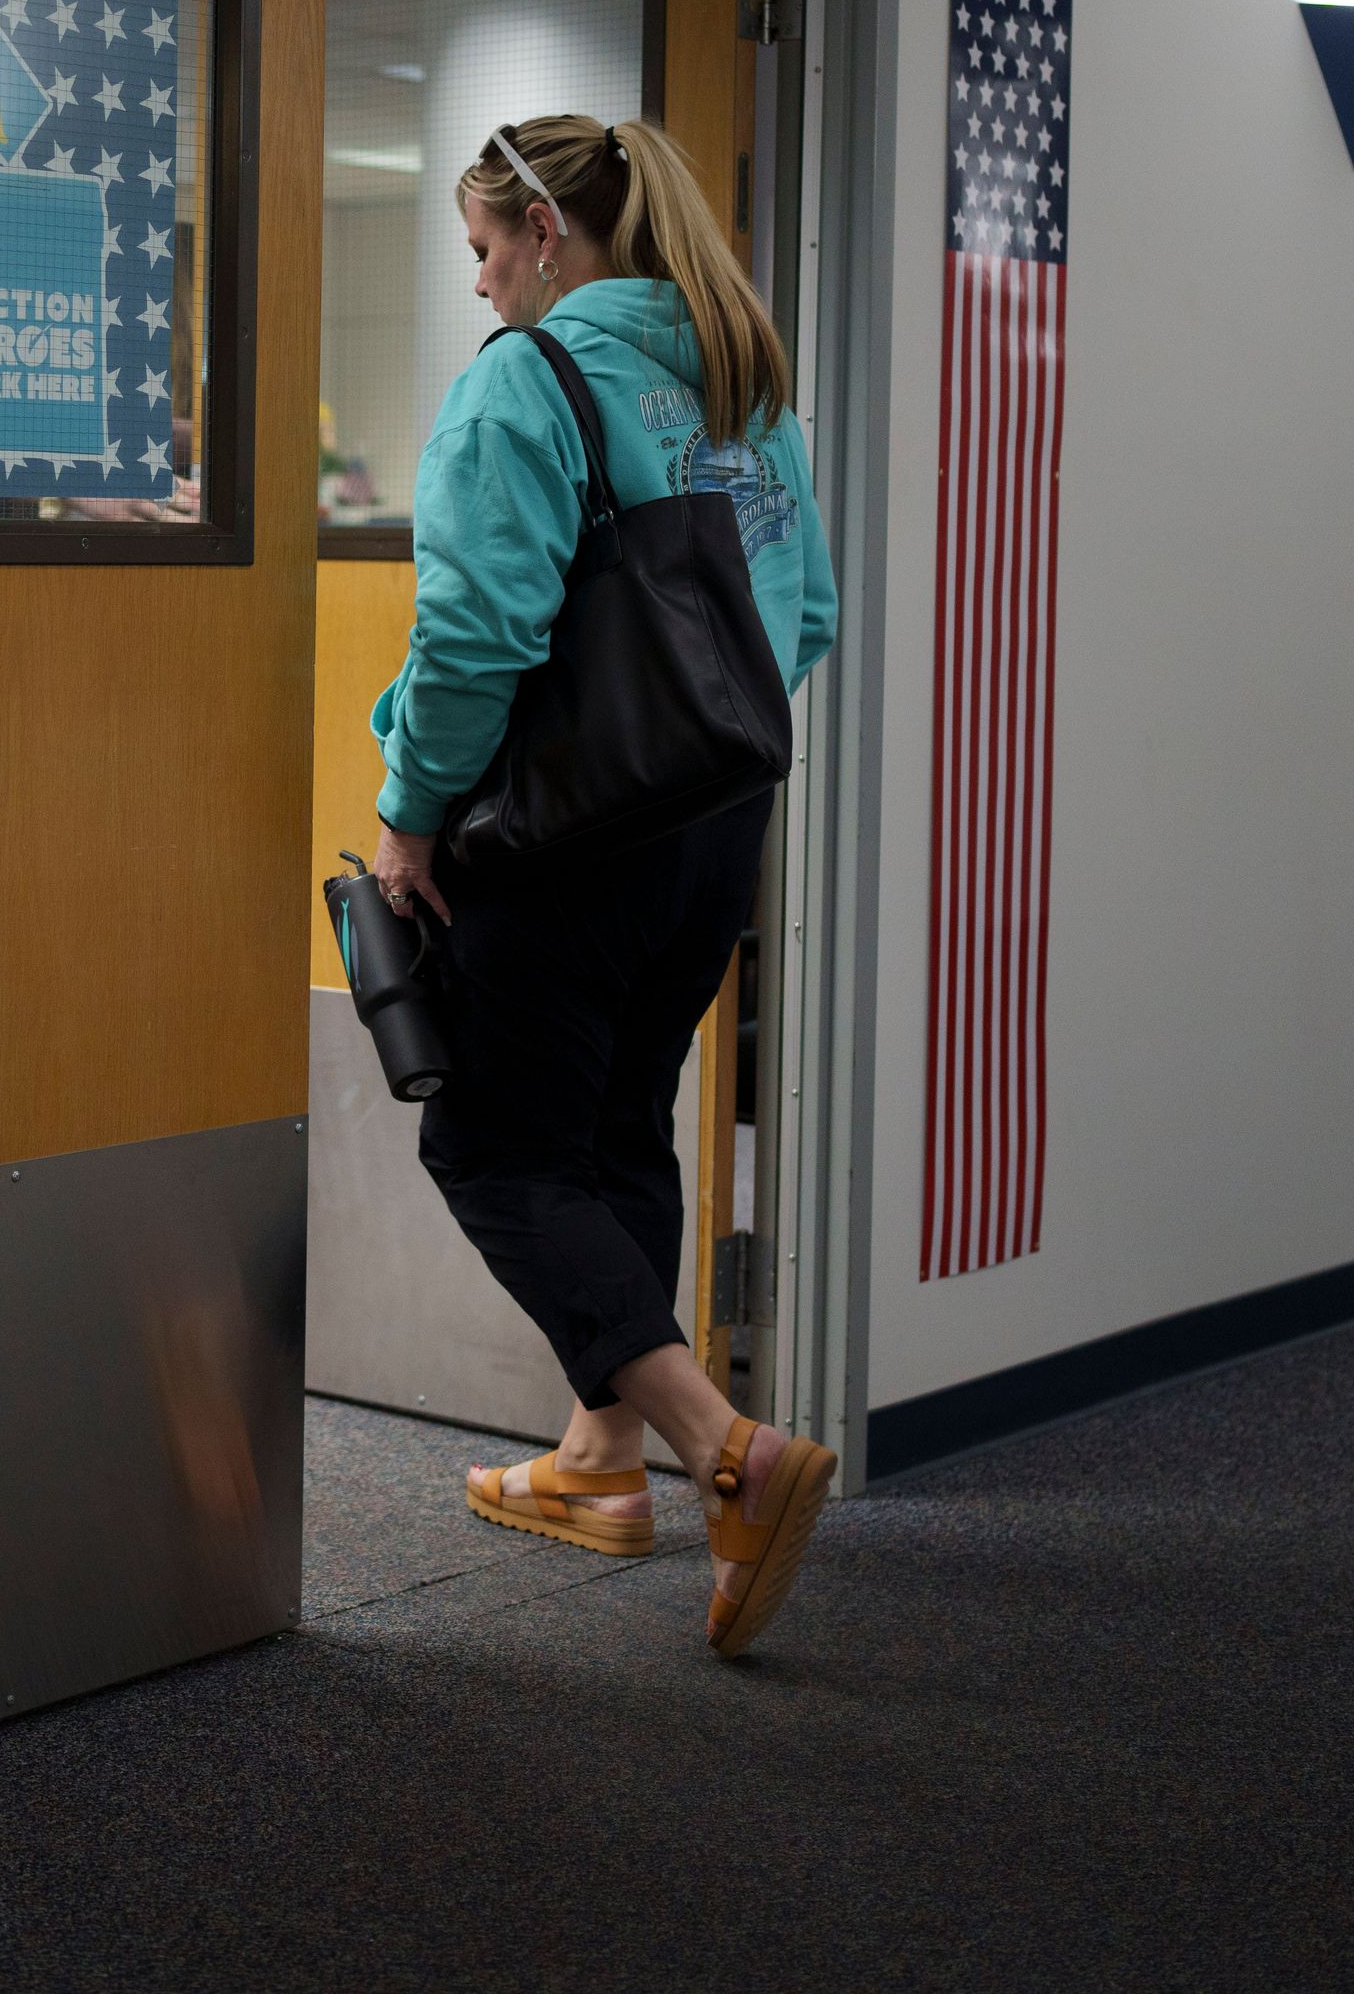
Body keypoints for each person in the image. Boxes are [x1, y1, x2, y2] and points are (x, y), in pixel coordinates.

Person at [368, 112, 842, 1658]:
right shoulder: (735, 378)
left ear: (552, 239)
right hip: (712, 829)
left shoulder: (533, 381)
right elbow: (809, 616)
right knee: (623, 1118)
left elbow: (477, 640)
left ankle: (728, 1452)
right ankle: (600, 1463)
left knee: (496, 1148)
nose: (486, 278)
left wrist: (412, 819)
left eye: (490, 246)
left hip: (565, 838)